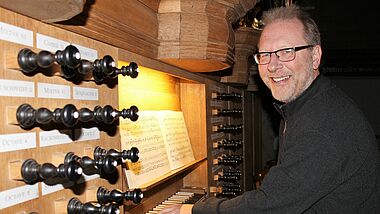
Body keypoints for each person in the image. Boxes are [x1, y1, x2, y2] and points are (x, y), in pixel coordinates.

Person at [159, 4, 380, 214]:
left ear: (315, 56)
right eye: (265, 55)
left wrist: (191, 209)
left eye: (286, 51)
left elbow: (269, 207)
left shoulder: (322, 125)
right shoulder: (304, 104)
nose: (273, 66)